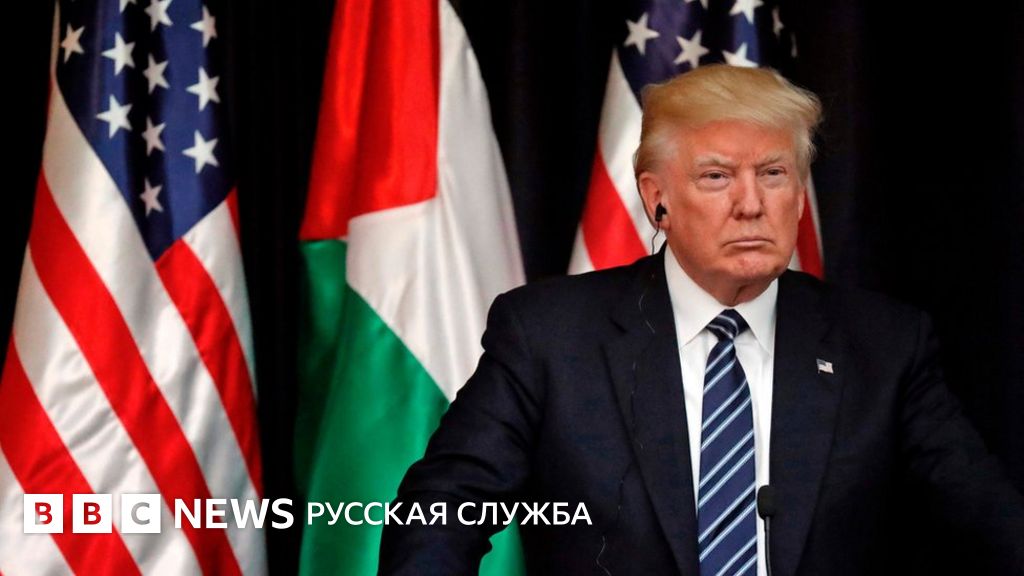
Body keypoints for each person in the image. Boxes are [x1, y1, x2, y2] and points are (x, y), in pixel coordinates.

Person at [378, 64, 1024, 575]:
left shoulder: (884, 344)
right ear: (656, 199)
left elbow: (989, 521)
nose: (751, 204)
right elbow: (442, 510)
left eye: (774, 173)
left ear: (800, 196)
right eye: (717, 177)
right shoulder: (550, 335)